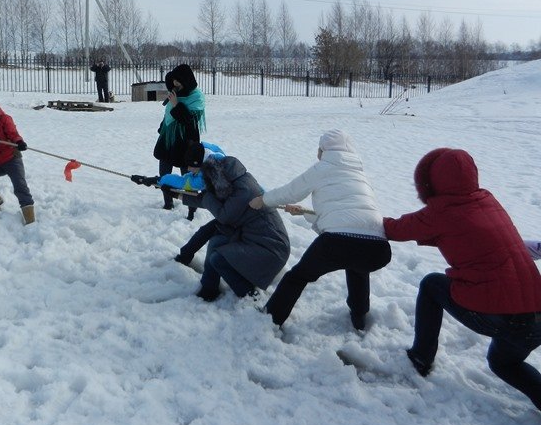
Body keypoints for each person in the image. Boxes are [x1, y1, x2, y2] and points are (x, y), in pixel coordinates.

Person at [383, 147, 541, 410]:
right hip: (537, 312)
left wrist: (360, 218)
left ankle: (421, 358)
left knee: (432, 284)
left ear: (429, 181)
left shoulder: (440, 212)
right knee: (505, 363)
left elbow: (394, 229)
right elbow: (465, 234)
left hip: (504, 314)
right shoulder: (488, 201)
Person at [249, 129, 391, 331]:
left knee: (297, 277)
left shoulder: (323, 167)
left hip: (338, 243)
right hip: (377, 248)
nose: (317, 152)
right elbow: (347, 214)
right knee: (358, 267)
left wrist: (263, 200)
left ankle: (271, 319)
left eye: (319, 148)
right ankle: (359, 316)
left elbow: (291, 191)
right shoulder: (360, 175)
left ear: (325, 149)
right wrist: (305, 213)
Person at [167, 141, 290, 302]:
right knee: (217, 240)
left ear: (203, 166)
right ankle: (208, 289)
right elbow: (212, 201)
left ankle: (250, 295)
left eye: (191, 166)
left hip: (271, 249)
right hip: (252, 237)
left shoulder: (242, 189)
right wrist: (176, 195)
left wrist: (203, 195)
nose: (189, 170)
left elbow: (223, 215)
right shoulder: (225, 178)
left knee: (218, 258)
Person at [153, 64, 205, 219]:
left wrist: (177, 105)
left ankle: (191, 209)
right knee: (164, 173)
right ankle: (168, 203)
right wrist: (162, 128)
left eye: (179, 83)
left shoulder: (196, 98)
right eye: (174, 83)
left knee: (188, 177)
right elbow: (168, 115)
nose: (175, 86)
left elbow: (189, 122)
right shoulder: (174, 95)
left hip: (186, 143)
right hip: (169, 140)